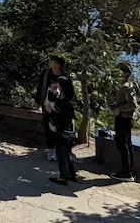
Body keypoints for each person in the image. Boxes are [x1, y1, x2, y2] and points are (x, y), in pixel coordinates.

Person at [42, 54, 81, 185]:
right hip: (68, 127)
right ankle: (71, 174)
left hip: (60, 127)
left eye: (58, 85)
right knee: (65, 150)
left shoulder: (61, 102)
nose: (56, 86)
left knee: (60, 150)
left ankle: (63, 177)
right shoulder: (67, 101)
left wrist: (49, 109)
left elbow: (53, 111)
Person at [113, 61, 138, 180]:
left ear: (127, 73)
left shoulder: (126, 87)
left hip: (123, 118)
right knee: (126, 144)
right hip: (124, 119)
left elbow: (133, 105)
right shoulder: (124, 86)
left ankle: (126, 172)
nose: (119, 73)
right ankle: (128, 171)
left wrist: (119, 109)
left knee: (122, 144)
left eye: (121, 71)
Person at [35, 59, 58, 162]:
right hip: (46, 102)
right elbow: (40, 86)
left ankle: (58, 149)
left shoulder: (62, 74)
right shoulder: (46, 72)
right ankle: (51, 148)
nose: (49, 63)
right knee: (47, 125)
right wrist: (37, 100)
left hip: (58, 104)